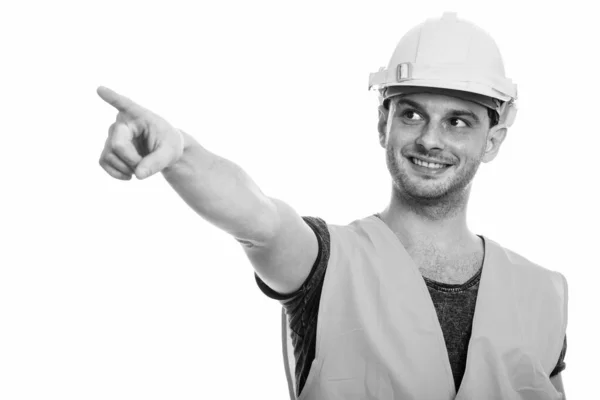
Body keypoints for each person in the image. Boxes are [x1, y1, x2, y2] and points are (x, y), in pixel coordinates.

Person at [97, 12, 567, 400]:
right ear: (384, 124)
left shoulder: (542, 295)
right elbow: (257, 217)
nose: (429, 138)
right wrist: (181, 154)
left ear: (492, 140)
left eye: (458, 121)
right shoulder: (325, 262)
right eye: (411, 113)